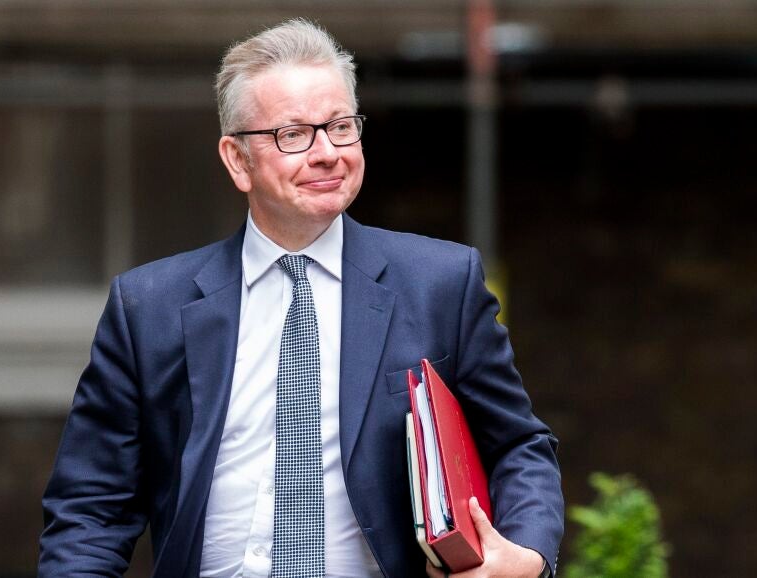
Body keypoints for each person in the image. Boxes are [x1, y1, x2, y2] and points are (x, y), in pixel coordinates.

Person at [39, 19, 562, 578]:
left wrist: (526, 556)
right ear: (237, 159)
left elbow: (519, 447)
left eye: (340, 126)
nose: (327, 152)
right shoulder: (149, 307)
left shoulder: (441, 283)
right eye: (293, 134)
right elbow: (90, 510)